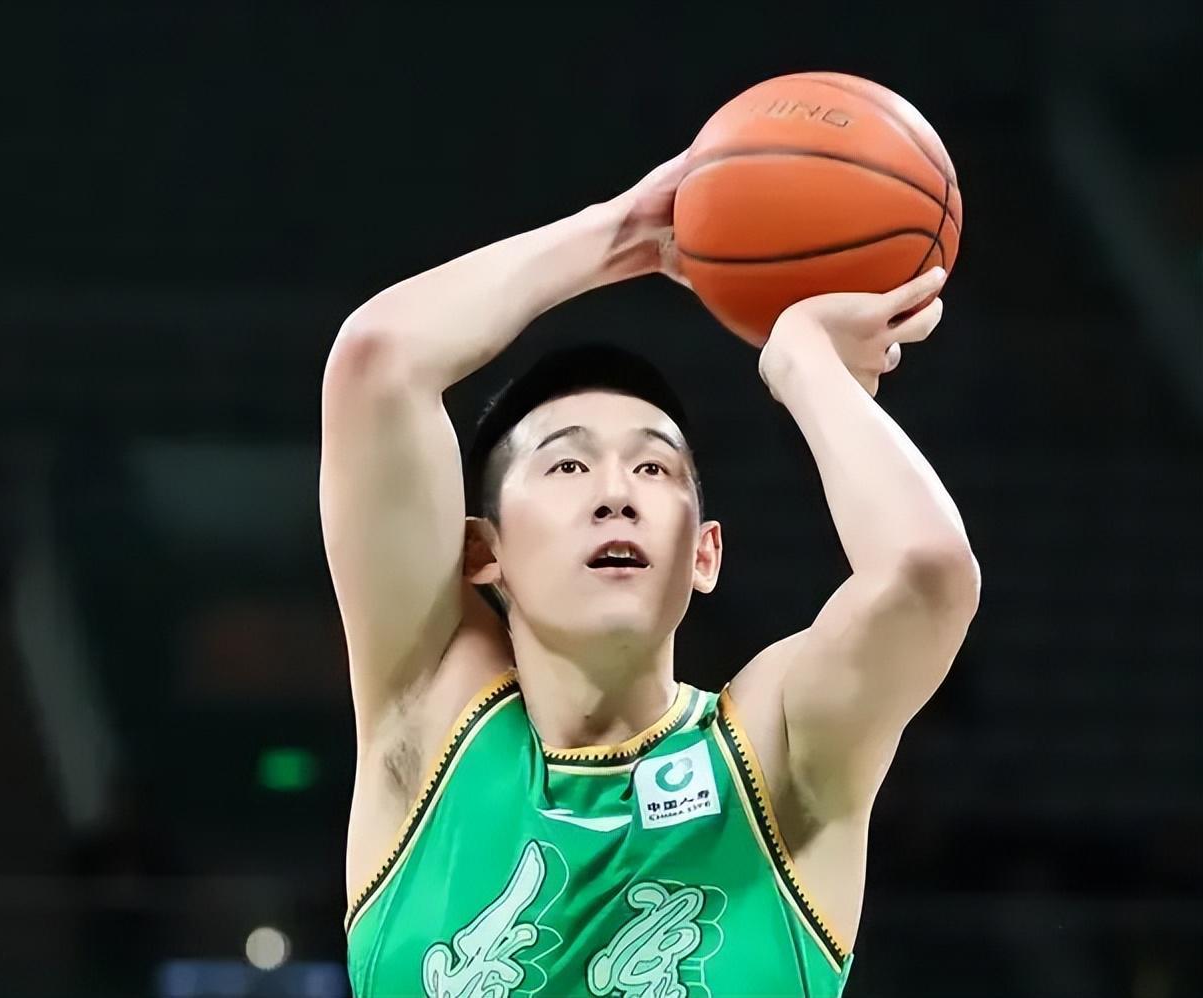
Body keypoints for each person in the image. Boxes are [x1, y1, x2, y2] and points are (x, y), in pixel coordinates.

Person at [320, 148, 979, 997]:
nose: (615, 494)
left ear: (703, 553)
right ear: (484, 551)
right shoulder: (432, 729)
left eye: (653, 467)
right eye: (567, 466)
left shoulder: (776, 756)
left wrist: (805, 362)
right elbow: (378, 361)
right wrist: (627, 229)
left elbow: (927, 572)